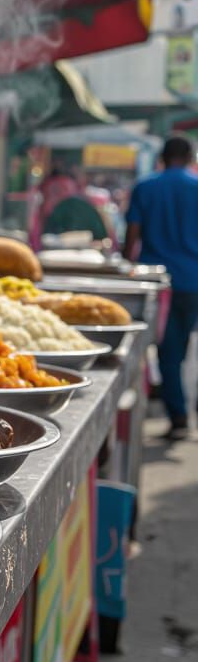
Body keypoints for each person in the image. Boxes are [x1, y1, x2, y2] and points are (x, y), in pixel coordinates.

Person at [124, 135, 198, 439]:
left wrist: (126, 266)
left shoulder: (146, 187)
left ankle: (179, 416)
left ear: (163, 158)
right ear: (191, 157)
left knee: (168, 352)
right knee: (181, 349)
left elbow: (132, 235)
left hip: (157, 284)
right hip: (193, 280)